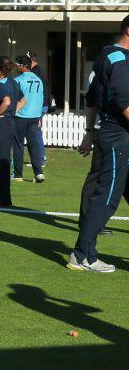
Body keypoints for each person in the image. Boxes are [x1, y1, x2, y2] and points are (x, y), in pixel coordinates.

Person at [69, 14, 129, 273]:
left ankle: (84, 253)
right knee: (107, 197)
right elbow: (124, 103)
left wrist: (89, 132)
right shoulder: (119, 61)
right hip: (118, 137)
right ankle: (82, 255)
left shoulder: (106, 57)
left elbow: (92, 99)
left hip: (110, 134)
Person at [0, 56, 22, 207]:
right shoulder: (14, 82)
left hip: (2, 124)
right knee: (3, 160)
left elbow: (7, 101)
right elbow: (23, 100)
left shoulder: (2, 84)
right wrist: (12, 112)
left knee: (0, 162)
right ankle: (3, 198)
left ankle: (3, 200)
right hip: (10, 123)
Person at [14, 55, 46, 182]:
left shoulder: (18, 80)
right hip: (34, 116)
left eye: (18, 65)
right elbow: (41, 98)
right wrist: (39, 116)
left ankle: (18, 174)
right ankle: (38, 173)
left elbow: (15, 98)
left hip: (21, 116)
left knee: (18, 145)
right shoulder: (38, 79)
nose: (16, 67)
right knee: (34, 146)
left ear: (22, 66)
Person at [28, 51, 51, 115]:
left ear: (30, 61)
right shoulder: (40, 70)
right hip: (43, 104)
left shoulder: (34, 72)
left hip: (38, 105)